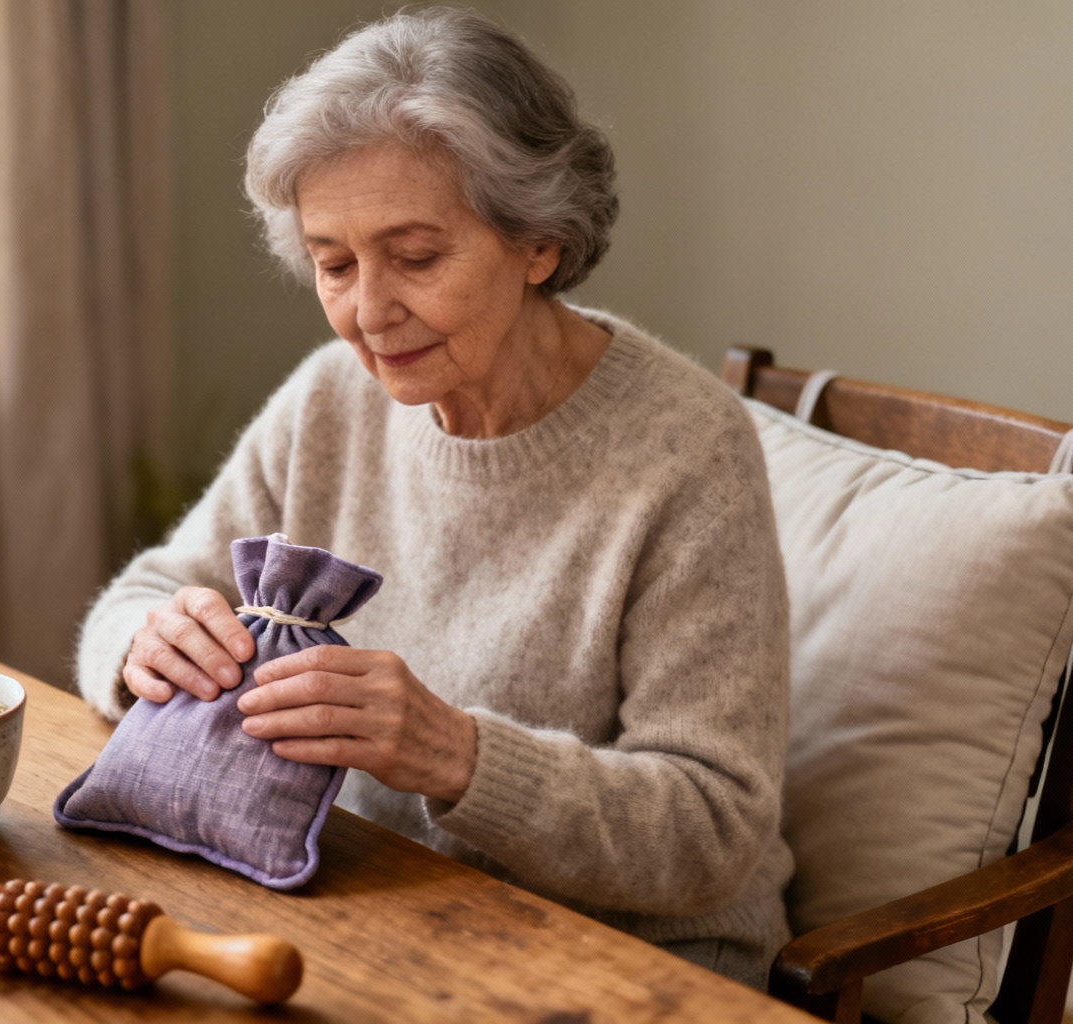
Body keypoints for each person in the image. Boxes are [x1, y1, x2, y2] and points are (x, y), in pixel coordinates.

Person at [75, 6, 792, 987]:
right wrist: (143, 641)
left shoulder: (686, 448)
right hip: (380, 904)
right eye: (333, 263)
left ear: (536, 241)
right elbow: (143, 592)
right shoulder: (334, 397)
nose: (368, 314)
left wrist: (454, 754)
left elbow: (710, 829)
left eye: (415, 257)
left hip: (630, 961)